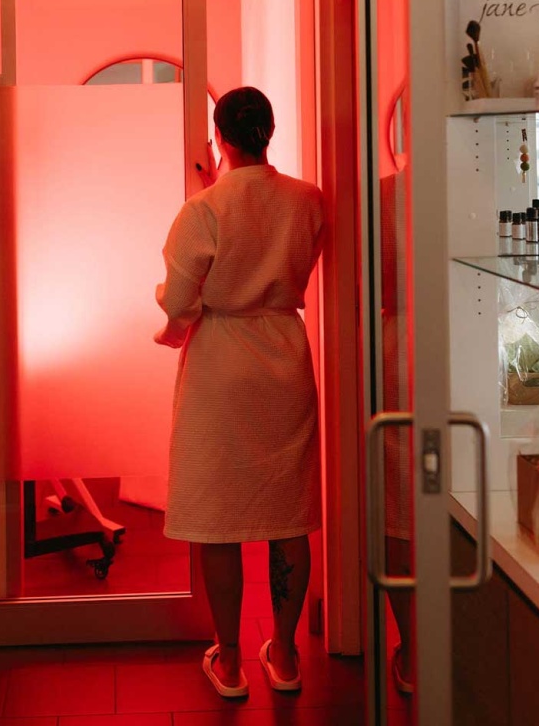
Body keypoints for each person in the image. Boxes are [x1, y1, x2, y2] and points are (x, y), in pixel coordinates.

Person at [154, 86, 325, 699]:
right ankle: (284, 655)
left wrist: (170, 323)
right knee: (288, 515)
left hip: (221, 367)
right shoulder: (309, 201)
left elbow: (178, 301)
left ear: (219, 137)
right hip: (284, 355)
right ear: (269, 131)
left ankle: (228, 663)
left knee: (219, 517)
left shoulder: (201, 210)